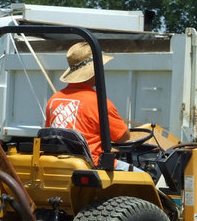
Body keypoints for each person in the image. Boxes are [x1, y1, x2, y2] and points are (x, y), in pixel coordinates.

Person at [45, 41, 136, 170]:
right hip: (92, 165)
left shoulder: (54, 99)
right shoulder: (98, 102)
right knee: (146, 177)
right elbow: (123, 137)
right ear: (94, 71)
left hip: (58, 165)